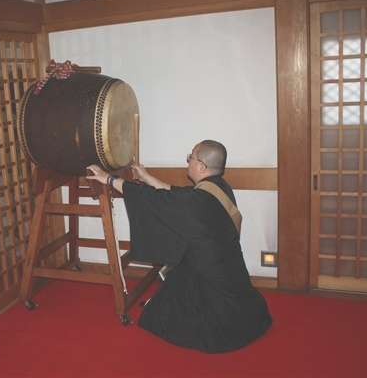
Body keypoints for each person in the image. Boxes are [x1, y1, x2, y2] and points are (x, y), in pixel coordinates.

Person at [86, 139, 272, 353]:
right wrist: (147, 177)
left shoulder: (196, 200)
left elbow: (163, 199)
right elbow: (176, 196)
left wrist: (109, 179)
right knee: (179, 271)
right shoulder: (219, 187)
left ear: (202, 166)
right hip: (230, 274)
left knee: (160, 317)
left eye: (190, 157)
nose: (188, 161)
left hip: (212, 287)